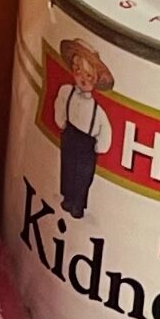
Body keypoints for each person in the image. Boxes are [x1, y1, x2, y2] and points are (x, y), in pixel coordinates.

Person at [53, 38, 114, 218]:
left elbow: (105, 130)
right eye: (79, 72)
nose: (83, 79)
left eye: (89, 76)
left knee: (83, 177)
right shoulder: (67, 91)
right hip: (70, 135)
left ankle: (78, 205)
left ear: (96, 79)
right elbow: (60, 105)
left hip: (87, 144)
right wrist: (61, 122)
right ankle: (67, 198)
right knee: (67, 167)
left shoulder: (98, 110)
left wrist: (98, 147)